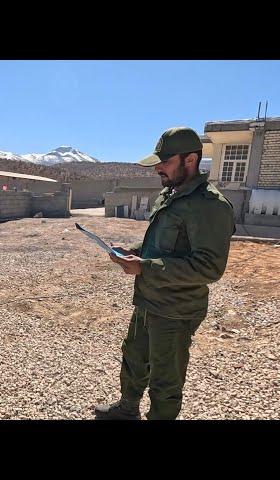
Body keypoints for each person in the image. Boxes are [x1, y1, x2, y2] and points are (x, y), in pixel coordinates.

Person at [95, 127, 235, 420]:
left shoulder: (209, 206)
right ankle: (127, 407)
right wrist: (132, 252)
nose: (158, 168)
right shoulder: (170, 194)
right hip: (148, 299)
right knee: (134, 356)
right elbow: (160, 245)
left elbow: (209, 267)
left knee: (165, 377)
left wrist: (144, 267)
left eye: (165, 161)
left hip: (175, 310)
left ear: (190, 160)